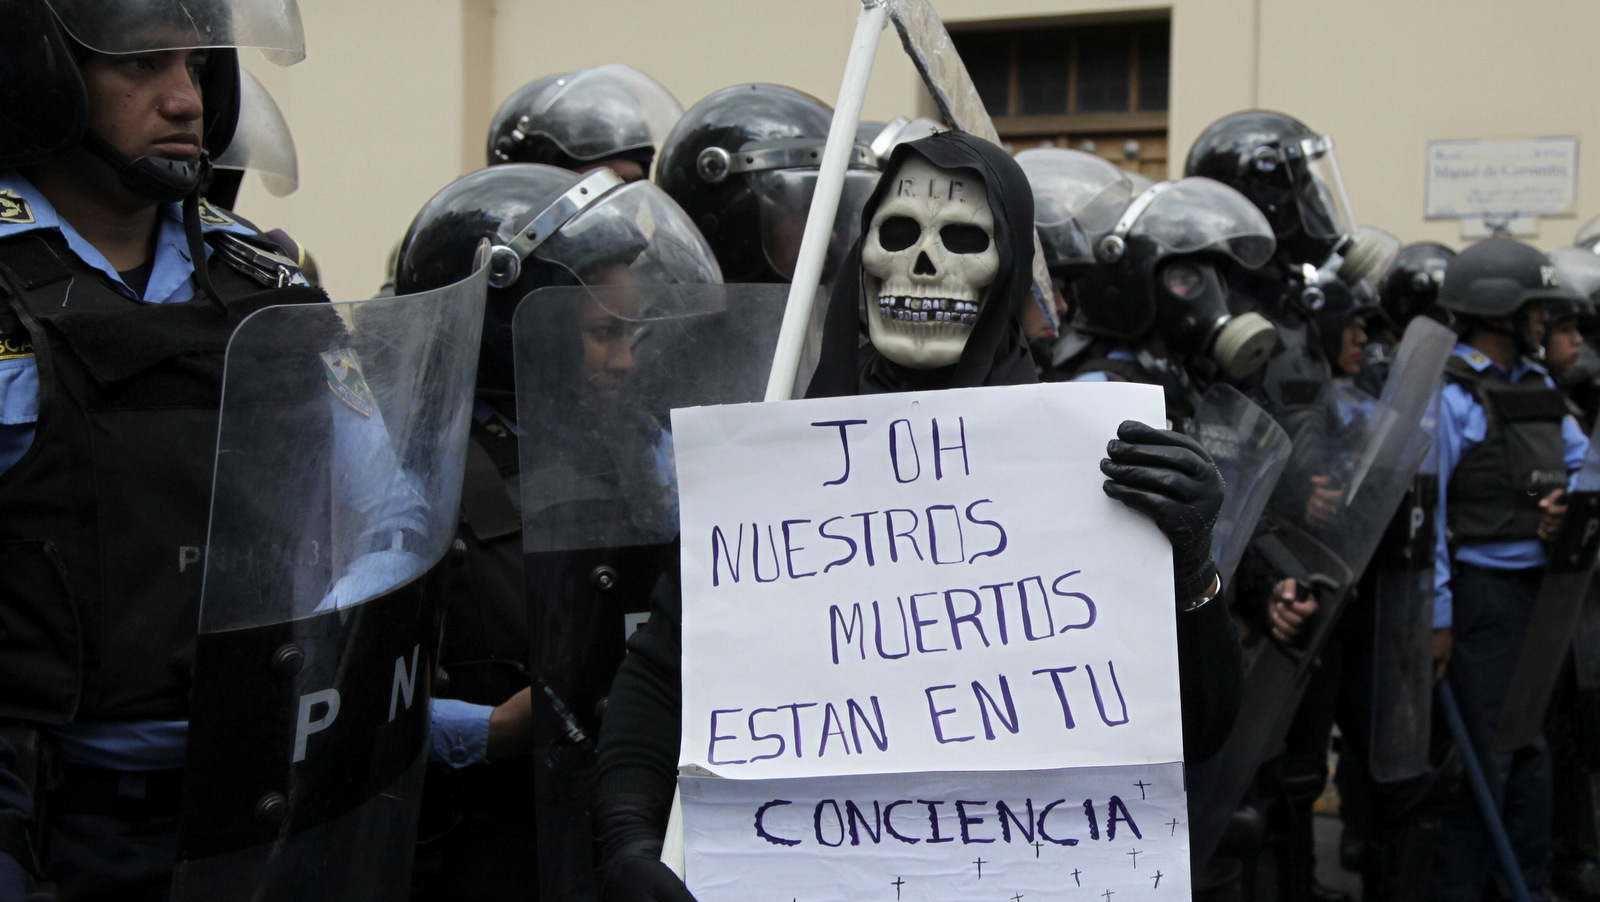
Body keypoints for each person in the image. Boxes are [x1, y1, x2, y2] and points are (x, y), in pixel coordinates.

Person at [591, 129, 1233, 902]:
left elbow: (1194, 729)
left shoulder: (1088, 465)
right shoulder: (769, 462)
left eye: (962, 239)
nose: (923, 263)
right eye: (898, 234)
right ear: (862, 257)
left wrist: (1192, 569)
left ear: (1008, 270)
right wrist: (628, 835)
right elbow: (667, 673)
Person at [0, 4, 510, 897]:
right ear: (40, 76)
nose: (184, 101)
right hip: (45, 821)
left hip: (270, 801)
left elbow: (388, 513)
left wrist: (341, 661)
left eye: (196, 70)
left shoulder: (265, 287)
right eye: (144, 68)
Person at [394, 162, 722, 901]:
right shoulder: (410, 475)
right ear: (513, 327)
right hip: (477, 849)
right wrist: (489, 730)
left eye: (630, 332)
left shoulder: (641, 447)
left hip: (628, 834)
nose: (626, 359)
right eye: (604, 333)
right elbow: (337, 696)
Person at [1430, 238, 1589, 901]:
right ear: (1499, 314)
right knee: (1485, 763)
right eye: (1538, 312)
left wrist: (1568, 513)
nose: (1548, 326)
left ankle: (1526, 883)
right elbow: (1426, 512)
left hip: (1540, 599)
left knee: (1532, 753)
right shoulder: (1452, 397)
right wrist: (1437, 617)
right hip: (1483, 602)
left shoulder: (1540, 389)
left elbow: (1576, 469)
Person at [654, 83, 880, 284]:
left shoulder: (834, 326)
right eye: (805, 209)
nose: (832, 235)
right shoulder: (669, 331)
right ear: (741, 219)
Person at [486, 64, 683, 182]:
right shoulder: (491, 250)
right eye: (604, 184)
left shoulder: (650, 250)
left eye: (634, 183)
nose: (624, 202)